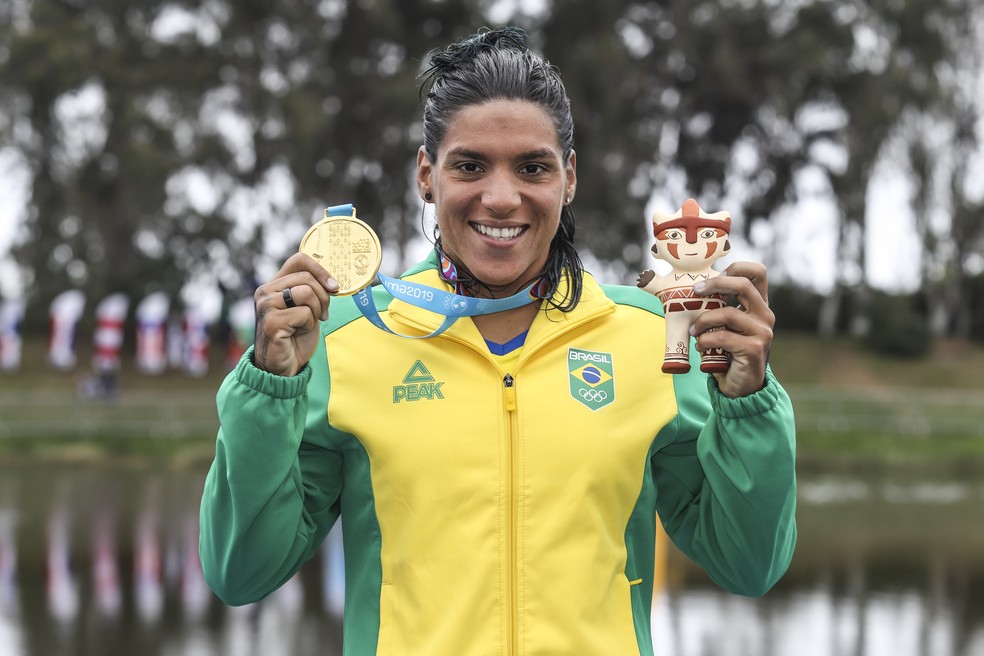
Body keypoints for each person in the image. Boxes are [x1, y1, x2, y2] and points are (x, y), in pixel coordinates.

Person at [199, 26, 796, 656]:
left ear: (569, 179)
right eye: (470, 166)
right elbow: (242, 574)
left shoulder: (648, 338)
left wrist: (747, 401)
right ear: (427, 175)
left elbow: (747, 564)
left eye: (532, 167)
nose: (502, 197)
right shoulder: (347, 343)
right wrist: (269, 387)